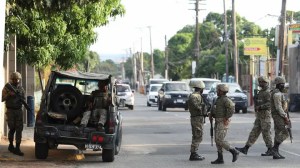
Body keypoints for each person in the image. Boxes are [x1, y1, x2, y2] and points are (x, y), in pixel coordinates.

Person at [235, 76, 273, 156]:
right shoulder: (261, 92)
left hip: (265, 116)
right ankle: (246, 148)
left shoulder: (268, 92)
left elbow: (270, 104)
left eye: (262, 82)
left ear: (265, 83)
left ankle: (270, 149)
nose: (260, 83)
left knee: (266, 133)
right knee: (254, 132)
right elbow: (259, 102)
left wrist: (260, 107)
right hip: (259, 116)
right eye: (259, 82)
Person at [209, 84, 239, 164]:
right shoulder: (218, 99)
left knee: (220, 140)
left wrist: (226, 117)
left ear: (222, 91)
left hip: (222, 121)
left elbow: (232, 108)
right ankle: (220, 158)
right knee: (217, 140)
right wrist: (211, 114)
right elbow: (215, 108)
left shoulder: (225, 99)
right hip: (217, 121)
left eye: (218, 90)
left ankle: (234, 151)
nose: (217, 91)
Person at [1, 72, 25, 156]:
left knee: (19, 129)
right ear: (12, 79)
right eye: (15, 79)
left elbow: (24, 99)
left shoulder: (21, 89)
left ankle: (17, 147)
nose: (16, 81)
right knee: (12, 128)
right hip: (10, 111)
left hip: (18, 111)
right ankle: (11, 145)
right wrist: (9, 95)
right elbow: (2, 99)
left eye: (17, 79)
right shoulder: (7, 87)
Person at [270, 76, 289, 159]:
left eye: (284, 84)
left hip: (279, 115)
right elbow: (278, 107)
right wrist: (285, 117)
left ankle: (276, 152)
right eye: (282, 84)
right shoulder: (277, 94)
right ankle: (274, 149)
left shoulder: (279, 92)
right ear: (278, 85)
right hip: (278, 116)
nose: (283, 86)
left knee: (278, 133)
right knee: (285, 133)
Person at [188, 80, 206, 161]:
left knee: (196, 135)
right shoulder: (195, 96)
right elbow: (198, 107)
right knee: (198, 136)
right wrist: (205, 110)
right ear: (200, 88)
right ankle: (193, 154)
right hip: (197, 118)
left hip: (197, 117)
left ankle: (194, 153)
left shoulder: (194, 95)